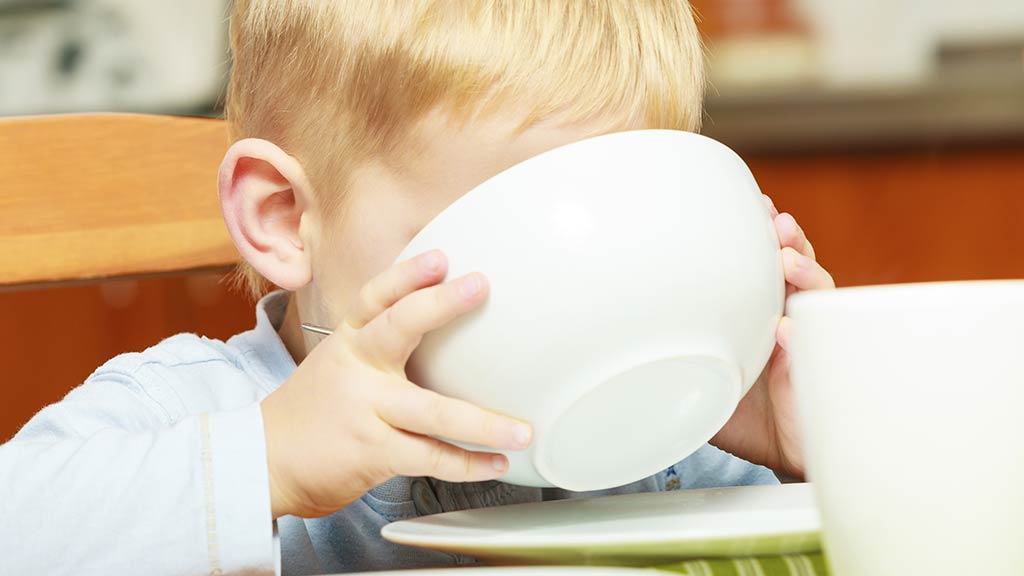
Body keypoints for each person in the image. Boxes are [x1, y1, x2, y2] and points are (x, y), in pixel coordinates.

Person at [0, 1, 835, 574]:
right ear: (287, 218)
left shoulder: (674, 460)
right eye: (513, 230)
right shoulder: (196, 411)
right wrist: (268, 460)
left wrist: (832, 459)